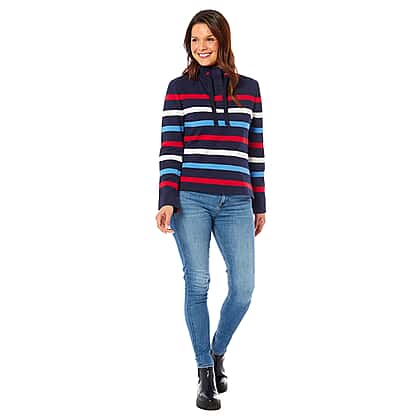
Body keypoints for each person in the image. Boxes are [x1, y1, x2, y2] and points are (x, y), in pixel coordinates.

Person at [155, 9, 266, 411]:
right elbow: (171, 147)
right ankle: (204, 372)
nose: (201, 47)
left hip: (237, 201)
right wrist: (166, 199)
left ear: (223, 41)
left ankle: (218, 351)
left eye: (209, 39)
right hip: (191, 200)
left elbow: (255, 150)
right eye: (195, 40)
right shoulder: (178, 89)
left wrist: (260, 202)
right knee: (198, 282)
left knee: (243, 289)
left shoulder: (250, 89)